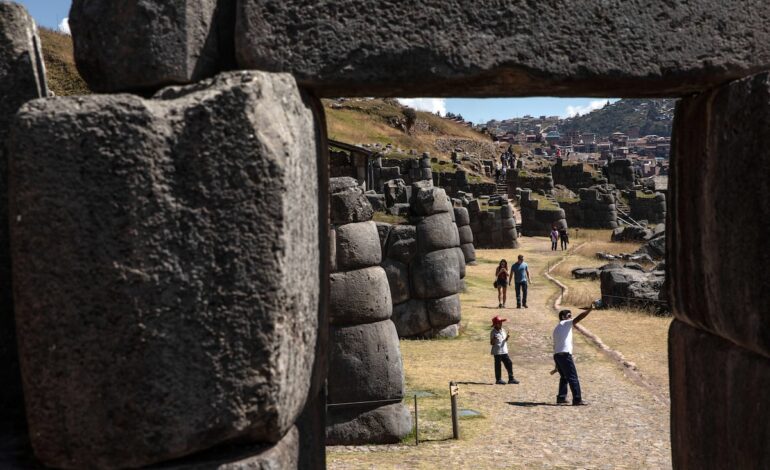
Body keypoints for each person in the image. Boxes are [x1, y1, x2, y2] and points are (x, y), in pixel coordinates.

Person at [552, 305, 594, 405]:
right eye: (569, 315)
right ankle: (577, 399)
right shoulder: (566, 323)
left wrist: (556, 364)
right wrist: (590, 310)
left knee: (564, 377)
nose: (571, 317)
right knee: (573, 377)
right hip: (565, 355)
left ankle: (561, 398)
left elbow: (555, 345)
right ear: (563, 317)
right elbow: (579, 317)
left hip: (558, 355)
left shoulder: (557, 328)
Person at [490, 316, 519, 384]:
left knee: (509, 363)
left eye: (501, 322)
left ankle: (511, 378)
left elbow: (504, 340)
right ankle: (498, 379)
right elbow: (491, 343)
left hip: (504, 350)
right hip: (497, 352)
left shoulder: (503, 330)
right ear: (495, 324)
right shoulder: (493, 332)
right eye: (499, 323)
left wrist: (507, 338)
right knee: (498, 365)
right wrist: (494, 339)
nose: (501, 324)